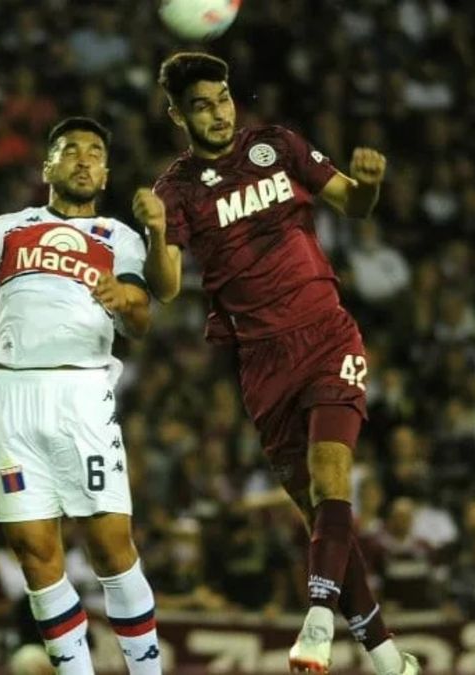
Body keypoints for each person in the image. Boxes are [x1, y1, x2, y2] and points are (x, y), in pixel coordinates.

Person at [137, 52, 418, 675]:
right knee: (321, 520)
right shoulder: (175, 190)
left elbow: (353, 204)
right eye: (202, 105)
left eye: (224, 98)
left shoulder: (277, 145)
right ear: (177, 114)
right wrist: (156, 234)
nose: (218, 113)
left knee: (330, 476)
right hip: (261, 362)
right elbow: (164, 287)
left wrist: (368, 185)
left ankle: (316, 619)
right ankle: (387, 655)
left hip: (326, 334)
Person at [0, 117, 162, 674]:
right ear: (47, 165)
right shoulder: (10, 227)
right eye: (68, 149)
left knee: (111, 546)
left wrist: (126, 297)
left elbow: (143, 317)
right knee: (33, 551)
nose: (81, 158)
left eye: (94, 152)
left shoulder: (119, 237)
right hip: (10, 395)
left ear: (105, 171)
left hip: (81, 391)